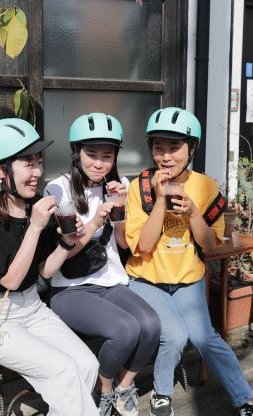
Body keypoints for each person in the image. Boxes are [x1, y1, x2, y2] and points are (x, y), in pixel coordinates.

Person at [125, 108, 253, 416]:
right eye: (158, 147)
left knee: (205, 337)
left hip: (188, 279)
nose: (166, 156)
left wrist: (192, 212)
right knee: (174, 336)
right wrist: (160, 201)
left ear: (192, 148)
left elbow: (210, 244)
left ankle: (245, 399)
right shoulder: (140, 187)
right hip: (147, 280)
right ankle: (162, 393)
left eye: (174, 147)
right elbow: (144, 246)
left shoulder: (205, 187)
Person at [0, 118, 99, 416]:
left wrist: (66, 243)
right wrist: (34, 226)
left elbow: (44, 272)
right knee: (62, 371)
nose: (37, 172)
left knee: (88, 365)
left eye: (38, 162)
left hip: (33, 308)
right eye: (27, 163)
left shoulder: (36, 204)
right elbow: (10, 281)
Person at [43, 113, 160, 416]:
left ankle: (124, 387)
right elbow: (61, 256)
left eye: (106, 156)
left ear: (115, 157)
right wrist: (95, 220)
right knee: (125, 330)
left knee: (150, 325)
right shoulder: (59, 190)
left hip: (111, 279)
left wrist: (120, 209)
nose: (98, 163)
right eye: (91, 154)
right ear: (77, 153)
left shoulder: (121, 184)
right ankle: (102, 390)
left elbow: (121, 244)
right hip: (71, 289)